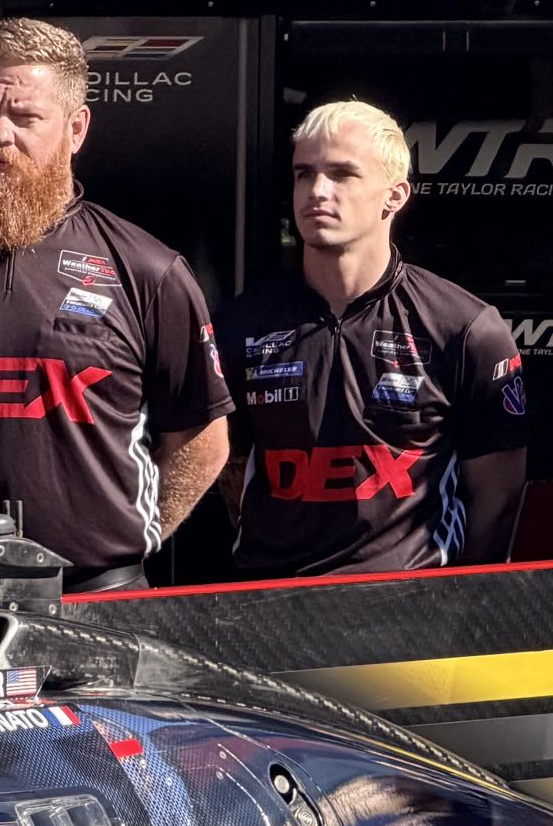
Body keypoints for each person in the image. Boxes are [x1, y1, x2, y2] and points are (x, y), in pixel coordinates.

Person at [0, 18, 229, 592]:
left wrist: (134, 534)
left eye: (26, 117)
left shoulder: (146, 270)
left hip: (96, 596)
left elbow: (202, 439)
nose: (0, 134)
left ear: (76, 128)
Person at [219, 100, 529, 574]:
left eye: (342, 174)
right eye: (304, 173)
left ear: (395, 196)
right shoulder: (242, 324)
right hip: (267, 601)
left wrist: (456, 602)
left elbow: (499, 497)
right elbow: (225, 462)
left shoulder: (463, 327)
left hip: (411, 604)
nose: (317, 191)